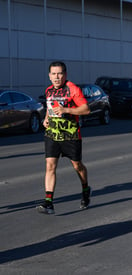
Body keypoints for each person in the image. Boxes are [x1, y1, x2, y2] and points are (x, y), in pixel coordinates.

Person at [36, 61, 91, 214]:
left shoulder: (72, 89)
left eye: (59, 73)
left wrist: (66, 109)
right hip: (52, 133)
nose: (56, 77)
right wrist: (46, 119)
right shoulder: (48, 91)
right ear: (49, 76)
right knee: (50, 166)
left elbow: (86, 109)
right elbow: (50, 107)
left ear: (65, 75)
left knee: (77, 166)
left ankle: (85, 189)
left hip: (71, 134)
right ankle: (49, 202)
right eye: (53, 74)